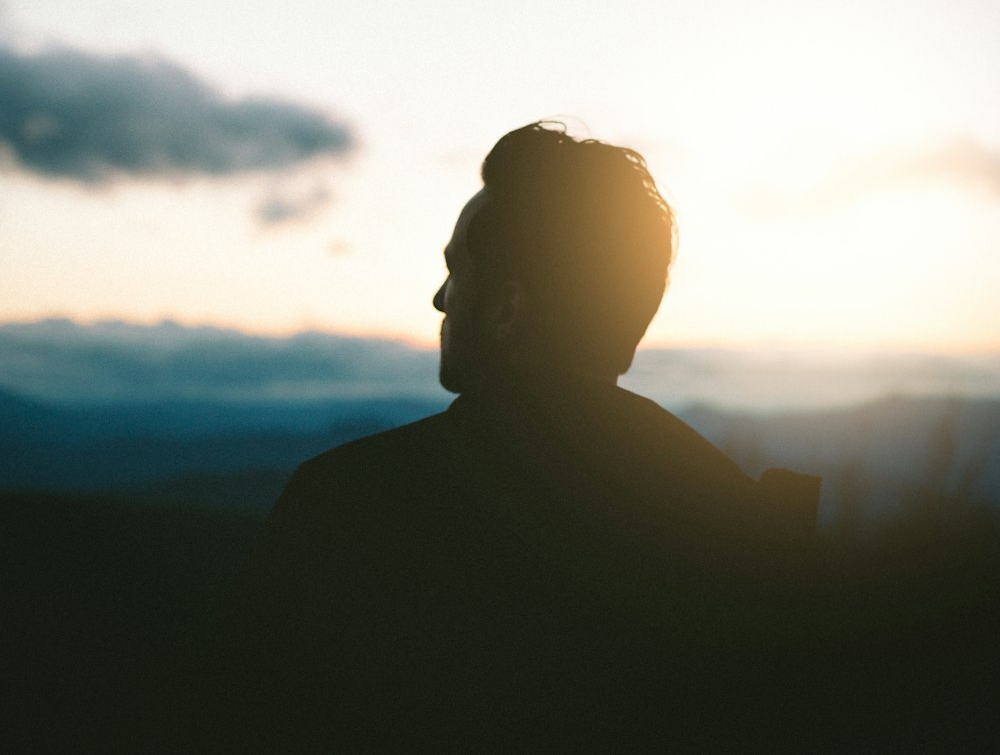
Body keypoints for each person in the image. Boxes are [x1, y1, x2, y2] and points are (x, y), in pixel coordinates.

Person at [197, 123, 821, 753]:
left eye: (455, 271)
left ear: (506, 310)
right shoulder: (733, 514)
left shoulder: (351, 502)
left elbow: (243, 717)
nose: (440, 299)